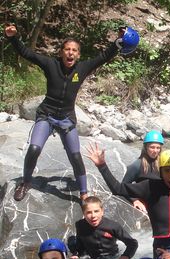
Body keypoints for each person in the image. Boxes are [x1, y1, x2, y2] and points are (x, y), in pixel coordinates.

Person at [4, 24, 139, 202]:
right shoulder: (50, 64)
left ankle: (83, 193)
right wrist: (13, 37)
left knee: (75, 155)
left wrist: (119, 41)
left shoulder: (82, 68)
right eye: (67, 49)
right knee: (34, 148)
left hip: (66, 119)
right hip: (46, 115)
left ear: (78, 54)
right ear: (61, 52)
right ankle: (26, 182)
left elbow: (104, 56)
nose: (70, 53)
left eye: (74, 50)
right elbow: (27, 53)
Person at [86, 144, 170, 259]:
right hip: (161, 249)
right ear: (160, 171)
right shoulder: (149, 187)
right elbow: (118, 189)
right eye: (167, 170)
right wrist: (102, 166)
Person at [68, 196, 138, 259]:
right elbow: (80, 246)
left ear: (102, 211)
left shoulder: (112, 226)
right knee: (71, 241)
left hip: (112, 258)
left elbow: (133, 243)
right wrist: (76, 254)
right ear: (84, 214)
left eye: (96, 211)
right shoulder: (80, 225)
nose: (93, 215)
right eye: (89, 212)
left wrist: (126, 256)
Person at [122, 130, 164, 213]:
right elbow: (124, 186)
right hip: (146, 203)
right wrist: (134, 200)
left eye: (158, 148)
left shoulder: (162, 163)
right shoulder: (137, 165)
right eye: (152, 147)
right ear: (146, 147)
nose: (155, 151)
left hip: (160, 201)